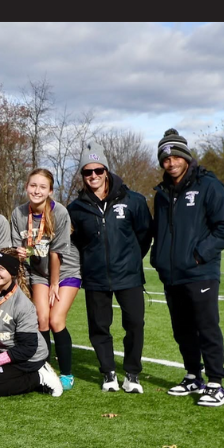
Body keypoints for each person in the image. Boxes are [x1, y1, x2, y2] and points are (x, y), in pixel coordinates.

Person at [151, 128, 224, 408]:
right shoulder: (162, 193)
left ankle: (216, 383)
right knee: (182, 329)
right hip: (172, 274)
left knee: (206, 327)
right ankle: (193, 376)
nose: (171, 163)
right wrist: (159, 257)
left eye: (176, 157)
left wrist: (199, 254)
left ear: (186, 157)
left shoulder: (208, 185)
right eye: (165, 159)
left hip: (200, 271)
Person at [68, 142, 153, 393]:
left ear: (106, 171)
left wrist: (130, 259)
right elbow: (77, 243)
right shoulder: (76, 208)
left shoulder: (134, 200)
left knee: (135, 324)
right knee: (99, 327)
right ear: (82, 175)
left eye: (98, 170)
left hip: (129, 275)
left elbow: (144, 235)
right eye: (87, 171)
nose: (93, 176)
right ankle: (108, 373)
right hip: (95, 278)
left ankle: (133, 374)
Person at [11, 169, 82, 390]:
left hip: (65, 271)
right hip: (38, 272)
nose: (37, 190)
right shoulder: (18, 213)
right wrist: (19, 253)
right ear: (26, 186)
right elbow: (17, 247)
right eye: (33, 185)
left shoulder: (59, 212)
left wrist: (54, 284)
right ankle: (45, 368)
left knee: (55, 320)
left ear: (50, 191)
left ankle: (67, 373)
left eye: (42, 187)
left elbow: (56, 253)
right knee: (41, 319)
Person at [0, 249, 63, 398]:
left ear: (12, 272)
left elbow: (28, 347)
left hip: (27, 357)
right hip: (4, 351)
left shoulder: (22, 304)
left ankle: (39, 376)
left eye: (1, 269)